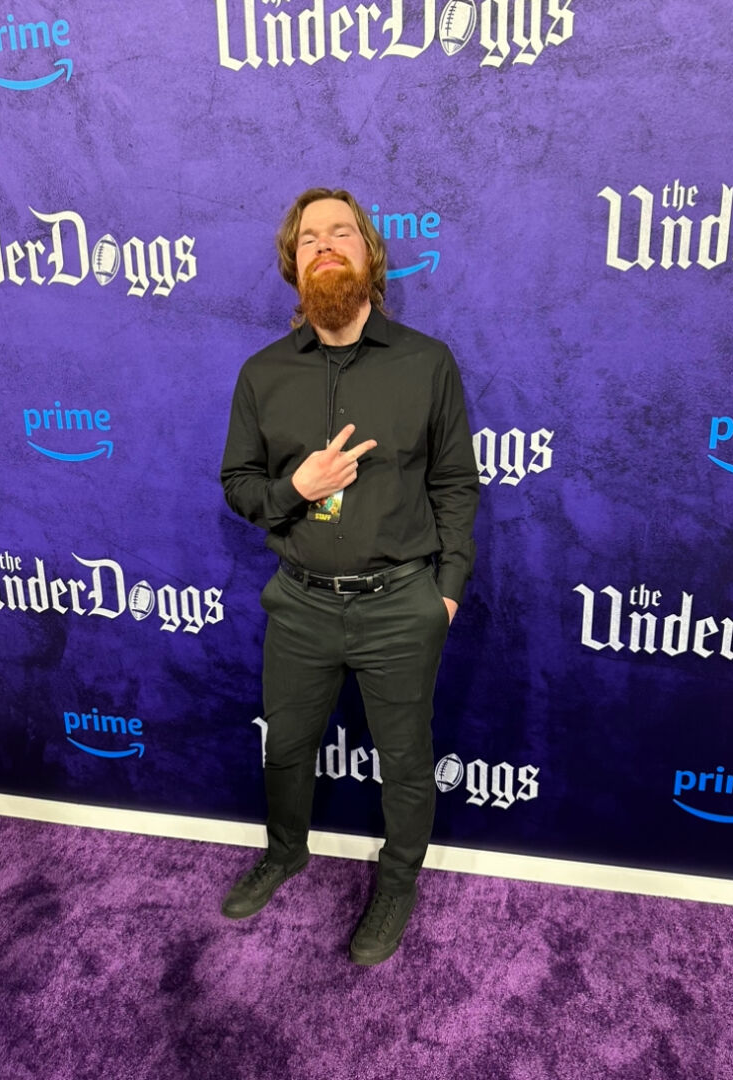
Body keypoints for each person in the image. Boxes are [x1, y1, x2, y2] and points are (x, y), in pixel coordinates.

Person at [220, 187, 479, 965]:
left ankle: (396, 882)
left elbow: (454, 483)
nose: (324, 246)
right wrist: (293, 489)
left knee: (405, 761)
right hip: (299, 604)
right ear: (292, 264)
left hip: (400, 604)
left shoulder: (426, 363)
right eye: (308, 239)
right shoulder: (263, 373)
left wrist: (447, 590)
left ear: (370, 253)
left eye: (341, 233)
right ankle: (284, 852)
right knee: (286, 747)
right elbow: (238, 483)